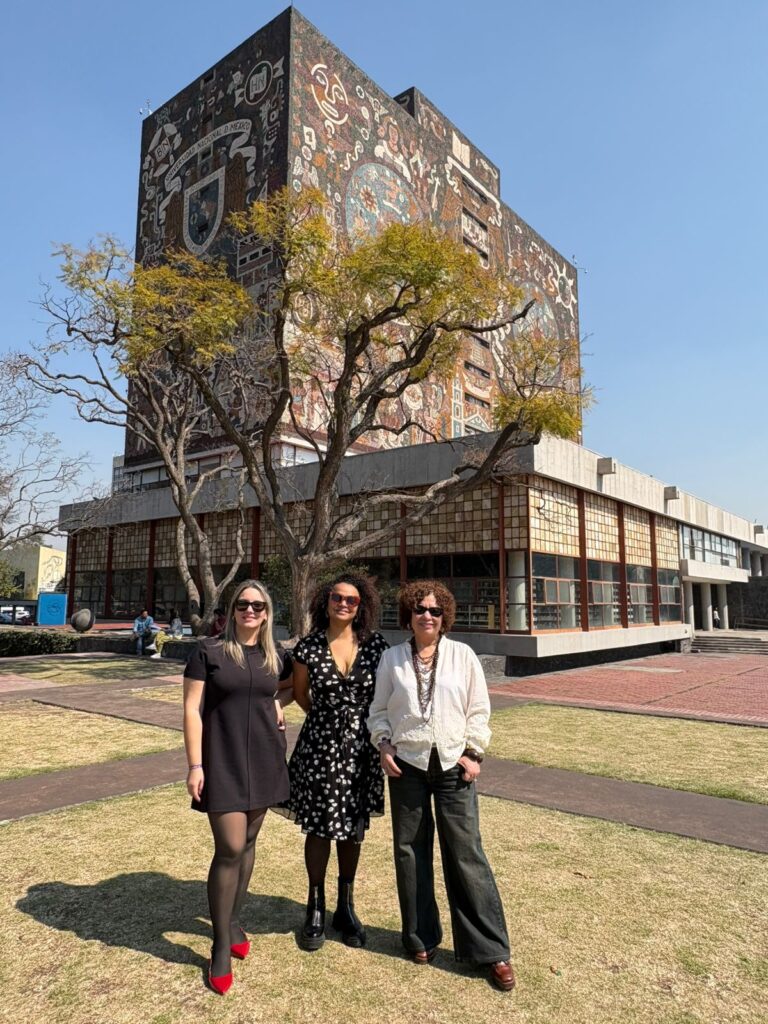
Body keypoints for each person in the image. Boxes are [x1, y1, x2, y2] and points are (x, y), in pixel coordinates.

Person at [368, 580, 515, 993]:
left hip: (453, 764)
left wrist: (474, 753)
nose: (426, 615)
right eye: (419, 609)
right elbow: (378, 710)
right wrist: (383, 744)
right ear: (408, 616)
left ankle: (490, 951)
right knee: (410, 852)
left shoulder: (463, 656)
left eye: (434, 610)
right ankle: (420, 937)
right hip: (408, 765)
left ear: (444, 615)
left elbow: (479, 709)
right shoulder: (392, 659)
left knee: (466, 854)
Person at [183, 580, 291, 995]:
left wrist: (278, 701)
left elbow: (279, 687)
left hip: (264, 758)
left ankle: (231, 920)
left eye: (258, 605)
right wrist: (195, 764)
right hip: (221, 760)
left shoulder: (274, 655)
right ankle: (221, 943)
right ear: (232, 610)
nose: (250, 611)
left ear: (267, 613)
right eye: (243, 604)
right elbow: (192, 709)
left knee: (247, 844)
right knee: (229, 847)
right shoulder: (208, 651)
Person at [276, 574, 388, 951]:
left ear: (362, 606)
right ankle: (315, 907)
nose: (344, 604)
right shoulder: (307, 647)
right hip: (320, 748)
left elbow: (384, 697)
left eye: (352, 600)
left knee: (353, 827)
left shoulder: (376, 647)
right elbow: (302, 695)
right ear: (325, 602)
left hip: (362, 750)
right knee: (320, 827)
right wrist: (330, 721)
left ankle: (346, 907)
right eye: (337, 597)